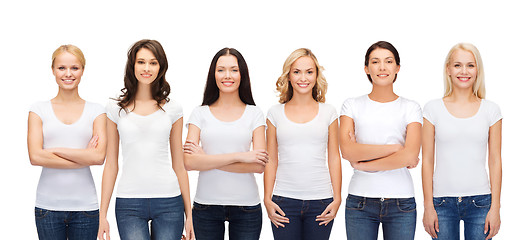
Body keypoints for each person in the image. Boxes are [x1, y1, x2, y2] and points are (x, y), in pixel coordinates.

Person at [98, 39, 193, 240]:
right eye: (141, 62)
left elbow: (179, 165)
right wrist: (102, 214)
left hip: (169, 201)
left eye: (153, 62)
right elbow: (111, 164)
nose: (146, 68)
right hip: (128, 203)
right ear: (132, 65)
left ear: (161, 67)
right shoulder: (115, 108)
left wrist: (189, 215)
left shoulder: (173, 108)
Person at [339, 41, 422, 240]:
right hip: (360, 202)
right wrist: (395, 148)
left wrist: (363, 164)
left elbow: (410, 155)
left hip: (401, 202)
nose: (382, 67)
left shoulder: (411, 108)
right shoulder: (351, 105)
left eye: (388, 61)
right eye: (375, 62)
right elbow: (348, 152)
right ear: (367, 68)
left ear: (397, 68)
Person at [183, 47, 267, 240]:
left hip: (246, 207)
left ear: (242, 74)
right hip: (206, 206)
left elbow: (258, 165)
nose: (227, 75)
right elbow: (189, 162)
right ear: (213, 74)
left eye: (234, 70)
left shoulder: (254, 113)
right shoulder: (199, 113)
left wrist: (206, 159)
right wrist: (241, 156)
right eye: (221, 70)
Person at [422, 43, 502, 240]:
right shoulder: (432, 109)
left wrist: (495, 208)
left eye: (470, 65)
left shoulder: (491, 110)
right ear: (448, 69)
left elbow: (495, 161)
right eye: (457, 65)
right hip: (441, 203)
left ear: (477, 70)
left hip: (481, 202)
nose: (464, 71)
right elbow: (427, 161)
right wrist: (428, 207)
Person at [28, 44, 107, 239]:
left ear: (82, 70)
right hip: (47, 208)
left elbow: (98, 157)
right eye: (62, 68)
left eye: (75, 68)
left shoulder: (97, 111)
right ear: (53, 70)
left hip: (86, 208)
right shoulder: (38, 110)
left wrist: (53, 151)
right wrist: (83, 156)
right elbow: (35, 157)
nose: (68, 74)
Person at [263, 48, 342, 240]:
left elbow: (334, 157)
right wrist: (267, 198)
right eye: (296, 72)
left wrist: (337, 198)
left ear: (316, 76)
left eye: (309, 72)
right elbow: (271, 159)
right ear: (288, 76)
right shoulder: (274, 113)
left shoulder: (329, 112)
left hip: (321, 201)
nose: (303, 78)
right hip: (283, 201)